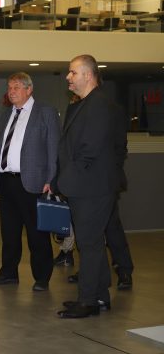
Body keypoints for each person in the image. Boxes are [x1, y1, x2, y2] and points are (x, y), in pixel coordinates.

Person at [56, 54, 124, 318]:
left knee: (88, 244)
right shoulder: (85, 104)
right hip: (86, 185)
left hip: (91, 187)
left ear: (88, 75)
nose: (68, 77)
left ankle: (88, 301)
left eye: (73, 72)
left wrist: (68, 178)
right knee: (92, 242)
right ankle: (100, 296)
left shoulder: (99, 105)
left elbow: (89, 150)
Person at [0, 72, 60, 292]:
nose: (12, 92)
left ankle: (42, 277)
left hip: (33, 182)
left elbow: (54, 149)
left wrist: (51, 179)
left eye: (16, 87)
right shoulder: (6, 114)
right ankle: (8, 273)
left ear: (29, 89)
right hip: (7, 181)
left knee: (37, 234)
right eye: (10, 87)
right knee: (9, 233)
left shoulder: (45, 112)